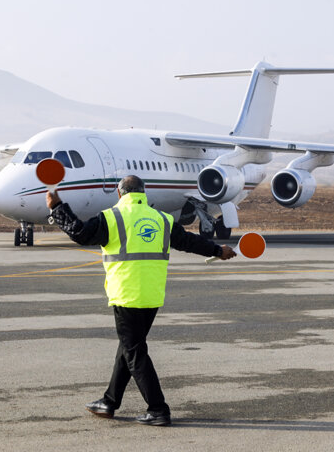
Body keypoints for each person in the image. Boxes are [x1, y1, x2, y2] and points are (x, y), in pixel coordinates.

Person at [46, 175, 236, 426]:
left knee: (134, 352)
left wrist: (57, 207)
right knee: (128, 348)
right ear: (143, 193)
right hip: (152, 295)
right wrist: (217, 250)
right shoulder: (162, 218)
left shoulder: (111, 218)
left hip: (126, 295)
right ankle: (109, 401)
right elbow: (188, 242)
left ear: (119, 193)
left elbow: (79, 233)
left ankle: (158, 409)